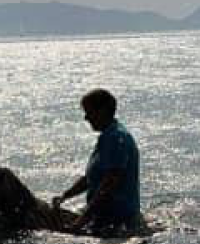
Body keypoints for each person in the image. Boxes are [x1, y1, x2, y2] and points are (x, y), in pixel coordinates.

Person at [52, 88, 142, 234]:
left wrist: (80, 222)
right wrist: (65, 196)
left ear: (103, 111)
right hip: (102, 218)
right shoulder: (107, 137)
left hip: (118, 221)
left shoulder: (116, 138)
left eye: (89, 112)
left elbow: (108, 186)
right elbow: (91, 178)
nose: (86, 118)